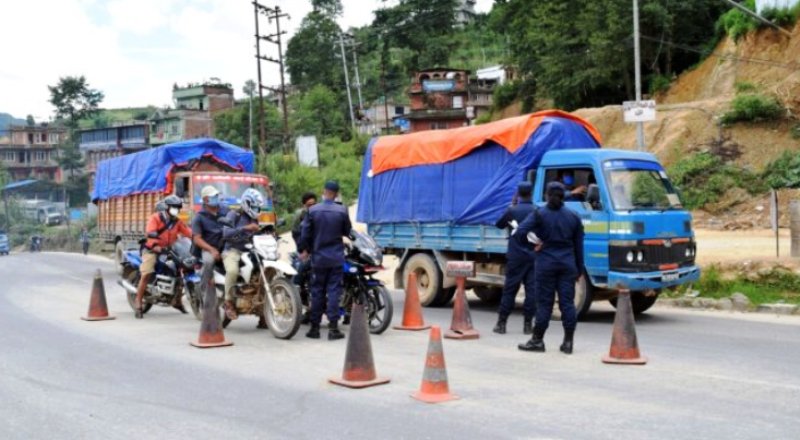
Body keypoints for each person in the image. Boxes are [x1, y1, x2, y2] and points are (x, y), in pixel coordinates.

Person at [517, 182, 585, 354]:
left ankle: (537, 340)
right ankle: (568, 342)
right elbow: (579, 246)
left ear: (546, 195)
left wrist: (533, 246)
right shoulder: (574, 216)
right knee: (567, 304)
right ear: (564, 196)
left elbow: (520, 231)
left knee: (544, 304)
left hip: (545, 264)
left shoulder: (539, 214)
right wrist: (579, 269)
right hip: (567, 265)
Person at [300, 180, 352, 341]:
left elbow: (305, 233)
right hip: (336, 258)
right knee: (334, 292)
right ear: (336, 194)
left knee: (317, 292)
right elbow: (347, 231)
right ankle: (333, 329)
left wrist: (305, 249)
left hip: (319, 259)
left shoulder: (313, 210)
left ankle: (314, 329)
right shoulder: (342, 211)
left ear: (324, 192)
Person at [134, 195, 192, 319]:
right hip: (152, 249)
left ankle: (177, 301)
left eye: (178, 207)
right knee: (147, 273)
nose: (176, 210)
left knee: (182, 269)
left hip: (169, 250)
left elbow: (189, 233)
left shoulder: (177, 221)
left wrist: (198, 239)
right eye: (174, 207)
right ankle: (138, 301)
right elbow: (150, 233)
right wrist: (155, 246)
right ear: (167, 207)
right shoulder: (155, 218)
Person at [493, 182, 538, 335]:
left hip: (515, 257)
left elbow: (499, 225)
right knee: (531, 292)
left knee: (510, 290)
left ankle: (501, 324)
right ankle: (527, 325)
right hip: (533, 257)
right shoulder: (536, 211)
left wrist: (511, 206)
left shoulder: (512, 210)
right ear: (531, 193)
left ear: (518, 194)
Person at [220, 188, 264, 321]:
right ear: (246, 203)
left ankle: (264, 312)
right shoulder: (234, 214)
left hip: (251, 250)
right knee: (232, 271)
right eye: (254, 207)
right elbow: (226, 233)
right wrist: (245, 228)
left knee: (262, 274)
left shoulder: (254, 219)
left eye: (258, 208)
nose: (256, 210)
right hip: (232, 250)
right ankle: (228, 302)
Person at [191, 186, 229, 316]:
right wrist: (211, 249)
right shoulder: (199, 217)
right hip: (209, 248)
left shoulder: (225, 210)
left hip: (226, 246)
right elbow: (197, 239)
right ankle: (204, 295)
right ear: (206, 199)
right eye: (213, 196)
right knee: (208, 262)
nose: (216, 198)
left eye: (216, 195)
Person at [292, 192, 317, 323]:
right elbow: (296, 234)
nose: (312, 207)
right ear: (304, 206)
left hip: (319, 250)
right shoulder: (300, 216)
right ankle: (297, 297)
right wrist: (303, 250)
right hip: (304, 250)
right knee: (300, 269)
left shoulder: (320, 213)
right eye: (309, 205)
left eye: (314, 204)